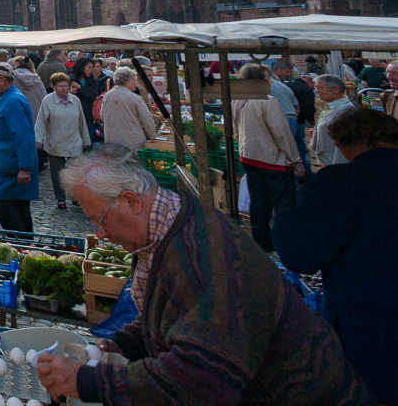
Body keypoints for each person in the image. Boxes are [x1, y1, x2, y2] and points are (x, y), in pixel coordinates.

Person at [37, 144, 374, 406]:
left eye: (100, 220)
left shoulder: (202, 255)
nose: (102, 233)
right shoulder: (165, 223)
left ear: (130, 201)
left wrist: (88, 382)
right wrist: (124, 343)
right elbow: (178, 310)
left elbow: (201, 378)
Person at [274, 108, 398, 403]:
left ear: (346, 144)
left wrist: (285, 219)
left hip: (370, 325)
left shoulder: (342, 182)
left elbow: (301, 252)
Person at [232, 64, 303, 251]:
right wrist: (295, 159)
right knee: (283, 204)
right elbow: (282, 133)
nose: (271, 81)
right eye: (268, 78)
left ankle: (261, 242)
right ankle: (286, 243)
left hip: (249, 156)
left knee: (259, 201)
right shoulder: (268, 101)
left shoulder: (238, 99)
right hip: (273, 159)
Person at [0, 62, 38, 232]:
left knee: (1, 203)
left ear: (2, 79)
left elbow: (23, 136)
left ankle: (21, 243)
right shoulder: (7, 98)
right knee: (19, 206)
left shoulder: (13, 101)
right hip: (8, 163)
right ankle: (26, 246)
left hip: (13, 166)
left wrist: (25, 167)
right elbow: (8, 131)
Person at [35, 71, 91, 210]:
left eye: (66, 86)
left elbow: (81, 121)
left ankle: (74, 197)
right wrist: (38, 139)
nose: (64, 88)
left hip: (74, 141)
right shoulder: (48, 100)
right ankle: (60, 199)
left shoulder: (75, 100)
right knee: (57, 173)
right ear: (54, 87)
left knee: (75, 173)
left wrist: (86, 140)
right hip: (56, 142)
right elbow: (41, 121)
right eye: (61, 86)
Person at [100, 65, 157, 151]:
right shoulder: (135, 98)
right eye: (134, 80)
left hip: (111, 140)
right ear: (127, 81)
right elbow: (147, 120)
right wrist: (152, 136)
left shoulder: (107, 96)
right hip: (132, 142)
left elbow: (102, 116)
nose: (136, 83)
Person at [275, 57, 316, 173]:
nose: (288, 74)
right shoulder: (304, 89)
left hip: (287, 118)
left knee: (291, 148)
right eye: (286, 72)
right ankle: (304, 174)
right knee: (297, 148)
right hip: (292, 120)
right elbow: (304, 107)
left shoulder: (286, 85)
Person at [313, 73, 357, 166]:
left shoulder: (344, 110)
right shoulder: (332, 107)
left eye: (320, 87)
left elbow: (345, 143)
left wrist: (337, 169)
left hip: (335, 164)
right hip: (329, 163)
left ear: (335, 90)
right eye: (316, 87)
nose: (317, 91)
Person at [75, 56, 108, 142]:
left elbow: (92, 97)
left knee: (88, 140)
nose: (91, 70)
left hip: (88, 115)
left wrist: (79, 88)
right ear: (81, 67)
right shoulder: (71, 79)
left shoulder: (93, 81)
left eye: (92, 68)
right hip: (74, 115)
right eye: (89, 68)